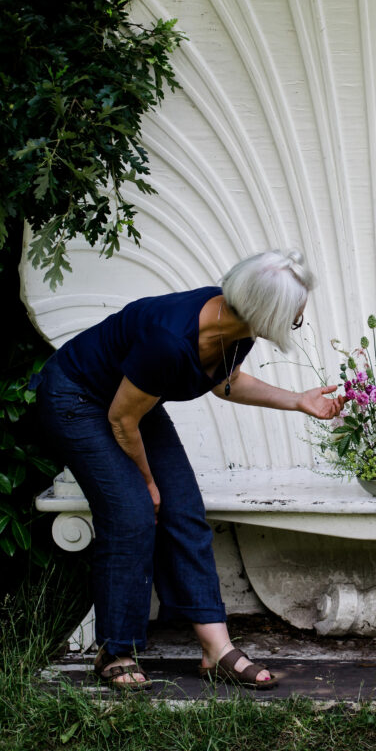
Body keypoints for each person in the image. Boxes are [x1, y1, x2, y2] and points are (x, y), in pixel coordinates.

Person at [33, 249, 343, 691]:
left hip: (132, 398)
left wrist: (297, 400)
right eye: (294, 318)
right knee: (132, 513)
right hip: (78, 397)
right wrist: (147, 482)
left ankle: (216, 650)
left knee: (184, 510)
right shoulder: (168, 340)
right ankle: (116, 650)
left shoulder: (237, 328)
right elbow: (122, 419)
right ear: (266, 313)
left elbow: (225, 383)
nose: (296, 322)